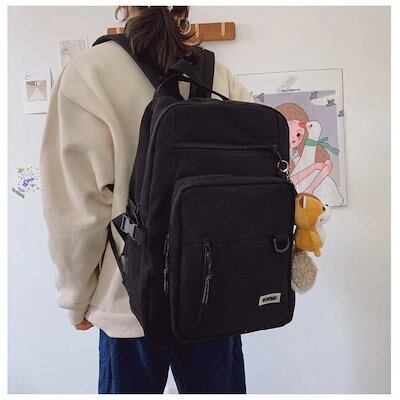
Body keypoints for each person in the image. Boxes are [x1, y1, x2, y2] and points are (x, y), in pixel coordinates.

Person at [40, 5, 251, 394]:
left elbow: (75, 212)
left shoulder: (88, 73)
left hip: (129, 299)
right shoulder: (216, 74)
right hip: (212, 293)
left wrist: (76, 298)